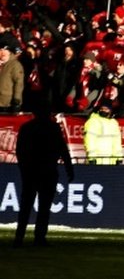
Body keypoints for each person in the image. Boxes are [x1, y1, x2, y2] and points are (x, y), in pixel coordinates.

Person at [14, 101, 74, 247]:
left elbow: (19, 151)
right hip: (48, 171)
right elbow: (63, 149)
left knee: (26, 206)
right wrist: (69, 168)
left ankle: (19, 237)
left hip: (31, 171)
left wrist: (24, 168)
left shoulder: (27, 128)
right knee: (44, 207)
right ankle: (39, 237)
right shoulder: (53, 128)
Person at [0, 43, 24, 112]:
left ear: (9, 52)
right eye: (1, 50)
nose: (3, 52)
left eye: (5, 50)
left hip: (7, 103)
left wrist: (17, 100)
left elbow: (19, 83)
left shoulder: (15, 65)